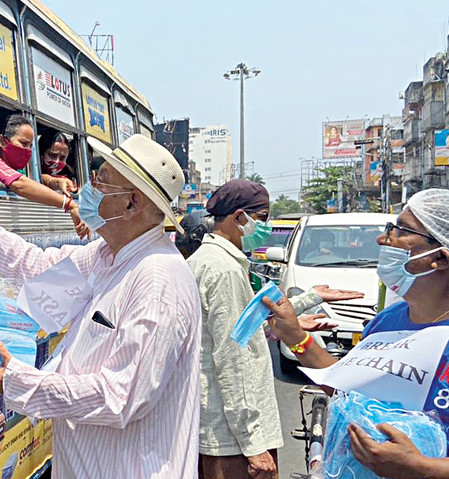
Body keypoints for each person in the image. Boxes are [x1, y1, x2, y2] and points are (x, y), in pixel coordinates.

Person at [0, 134, 203, 478]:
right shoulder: (106, 255)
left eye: (101, 180)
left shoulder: (156, 280)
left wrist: (21, 382)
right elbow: (33, 266)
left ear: (131, 203)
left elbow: (120, 396)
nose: (88, 187)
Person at [266, 189, 449, 479]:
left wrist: (422, 468)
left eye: (398, 230)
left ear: (439, 258)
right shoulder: (388, 321)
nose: (382, 239)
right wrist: (295, 336)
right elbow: (349, 387)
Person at [187, 180, 361, 479]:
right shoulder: (223, 270)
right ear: (240, 218)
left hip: (228, 432)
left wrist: (308, 300)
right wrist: (253, 443)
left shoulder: (217, 261)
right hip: (231, 439)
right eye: (263, 217)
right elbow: (232, 361)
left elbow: (244, 323)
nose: (265, 227)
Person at [0, 115, 87, 237]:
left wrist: (53, 181)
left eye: (31, 146)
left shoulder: (13, 167)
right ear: (1, 141)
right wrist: (70, 204)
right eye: (24, 143)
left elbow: (29, 179)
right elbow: (20, 184)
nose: (28, 151)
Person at [38, 131, 77, 195]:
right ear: (40, 154)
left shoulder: (71, 179)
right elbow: (41, 178)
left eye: (62, 158)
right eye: (53, 155)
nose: (57, 161)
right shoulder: (30, 172)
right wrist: (54, 182)